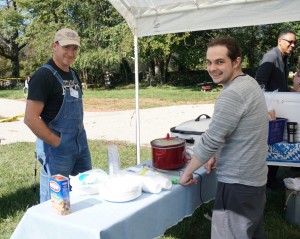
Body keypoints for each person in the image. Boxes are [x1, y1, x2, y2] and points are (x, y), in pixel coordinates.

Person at [180, 36, 268, 239]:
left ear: (236, 62)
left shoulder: (232, 94)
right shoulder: (249, 83)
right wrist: (215, 155)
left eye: (220, 62)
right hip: (254, 180)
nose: (212, 68)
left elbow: (211, 139)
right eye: (209, 62)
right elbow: (238, 132)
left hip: (238, 184)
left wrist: (188, 172)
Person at [24, 28, 92, 203]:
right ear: (54, 46)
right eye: (66, 47)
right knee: (55, 201)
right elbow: (30, 118)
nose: (71, 53)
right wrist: (57, 142)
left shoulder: (73, 73)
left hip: (80, 144)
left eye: (75, 48)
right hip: (56, 149)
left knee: (85, 191)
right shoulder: (43, 76)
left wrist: (80, 132)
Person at [255, 29, 297, 189]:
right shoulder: (271, 56)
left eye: (294, 42)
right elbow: (259, 83)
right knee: (271, 143)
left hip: (279, 107)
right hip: (269, 109)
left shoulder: (284, 58)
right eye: (289, 42)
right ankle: (266, 182)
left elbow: (279, 83)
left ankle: (271, 179)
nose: (292, 45)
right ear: (280, 41)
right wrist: (264, 108)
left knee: (276, 141)